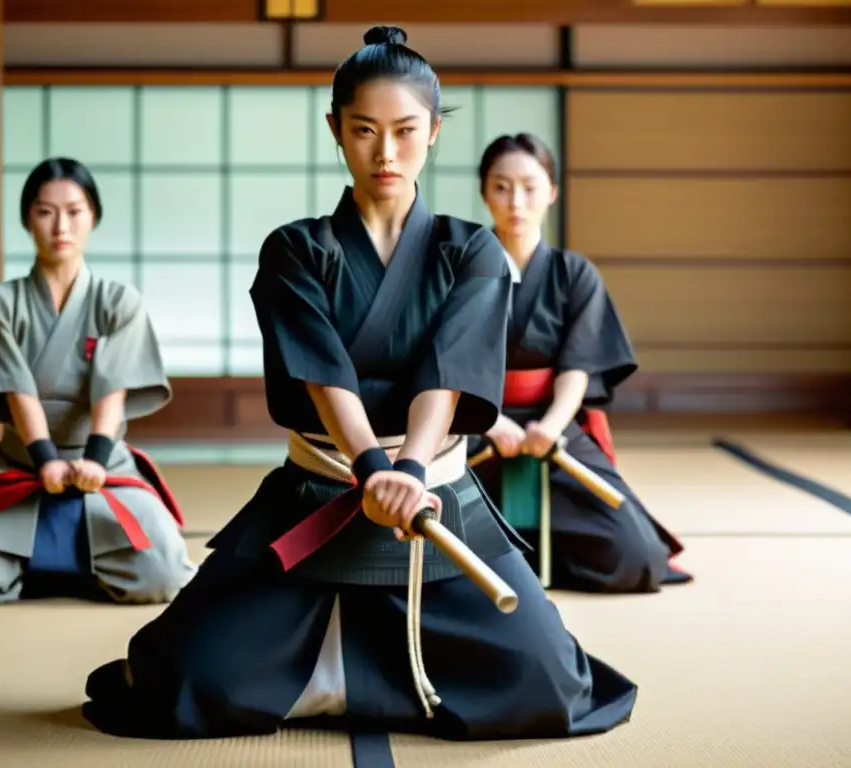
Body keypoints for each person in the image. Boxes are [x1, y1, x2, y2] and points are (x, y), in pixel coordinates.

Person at [80, 27, 637, 742]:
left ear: (434, 133)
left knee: (550, 684)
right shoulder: (296, 249)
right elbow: (322, 374)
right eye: (364, 130)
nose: (386, 152)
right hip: (325, 487)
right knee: (187, 678)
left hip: (434, 490)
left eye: (406, 131)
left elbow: (448, 373)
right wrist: (371, 466)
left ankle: (339, 679)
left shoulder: (470, 249)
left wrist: (407, 469)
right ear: (335, 130)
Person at [0, 157, 198, 606]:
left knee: (165, 576)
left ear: (93, 217)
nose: (61, 225)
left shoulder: (117, 302)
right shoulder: (0, 305)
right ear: (28, 218)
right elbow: (18, 391)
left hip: (104, 469)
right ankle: (52, 563)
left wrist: (97, 460)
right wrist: (44, 458)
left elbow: (112, 390)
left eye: (75, 211)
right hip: (22, 463)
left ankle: (37, 565)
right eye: (45, 211)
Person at [470, 132, 692, 593]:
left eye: (530, 187)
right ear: (484, 191)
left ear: (551, 191)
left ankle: (522, 559)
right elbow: (444, 364)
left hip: (553, 426)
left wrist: (549, 428)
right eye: (502, 186)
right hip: (472, 425)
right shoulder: (458, 269)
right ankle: (512, 557)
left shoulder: (573, 274)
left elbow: (578, 366)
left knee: (637, 555)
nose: (516, 200)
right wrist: (491, 423)